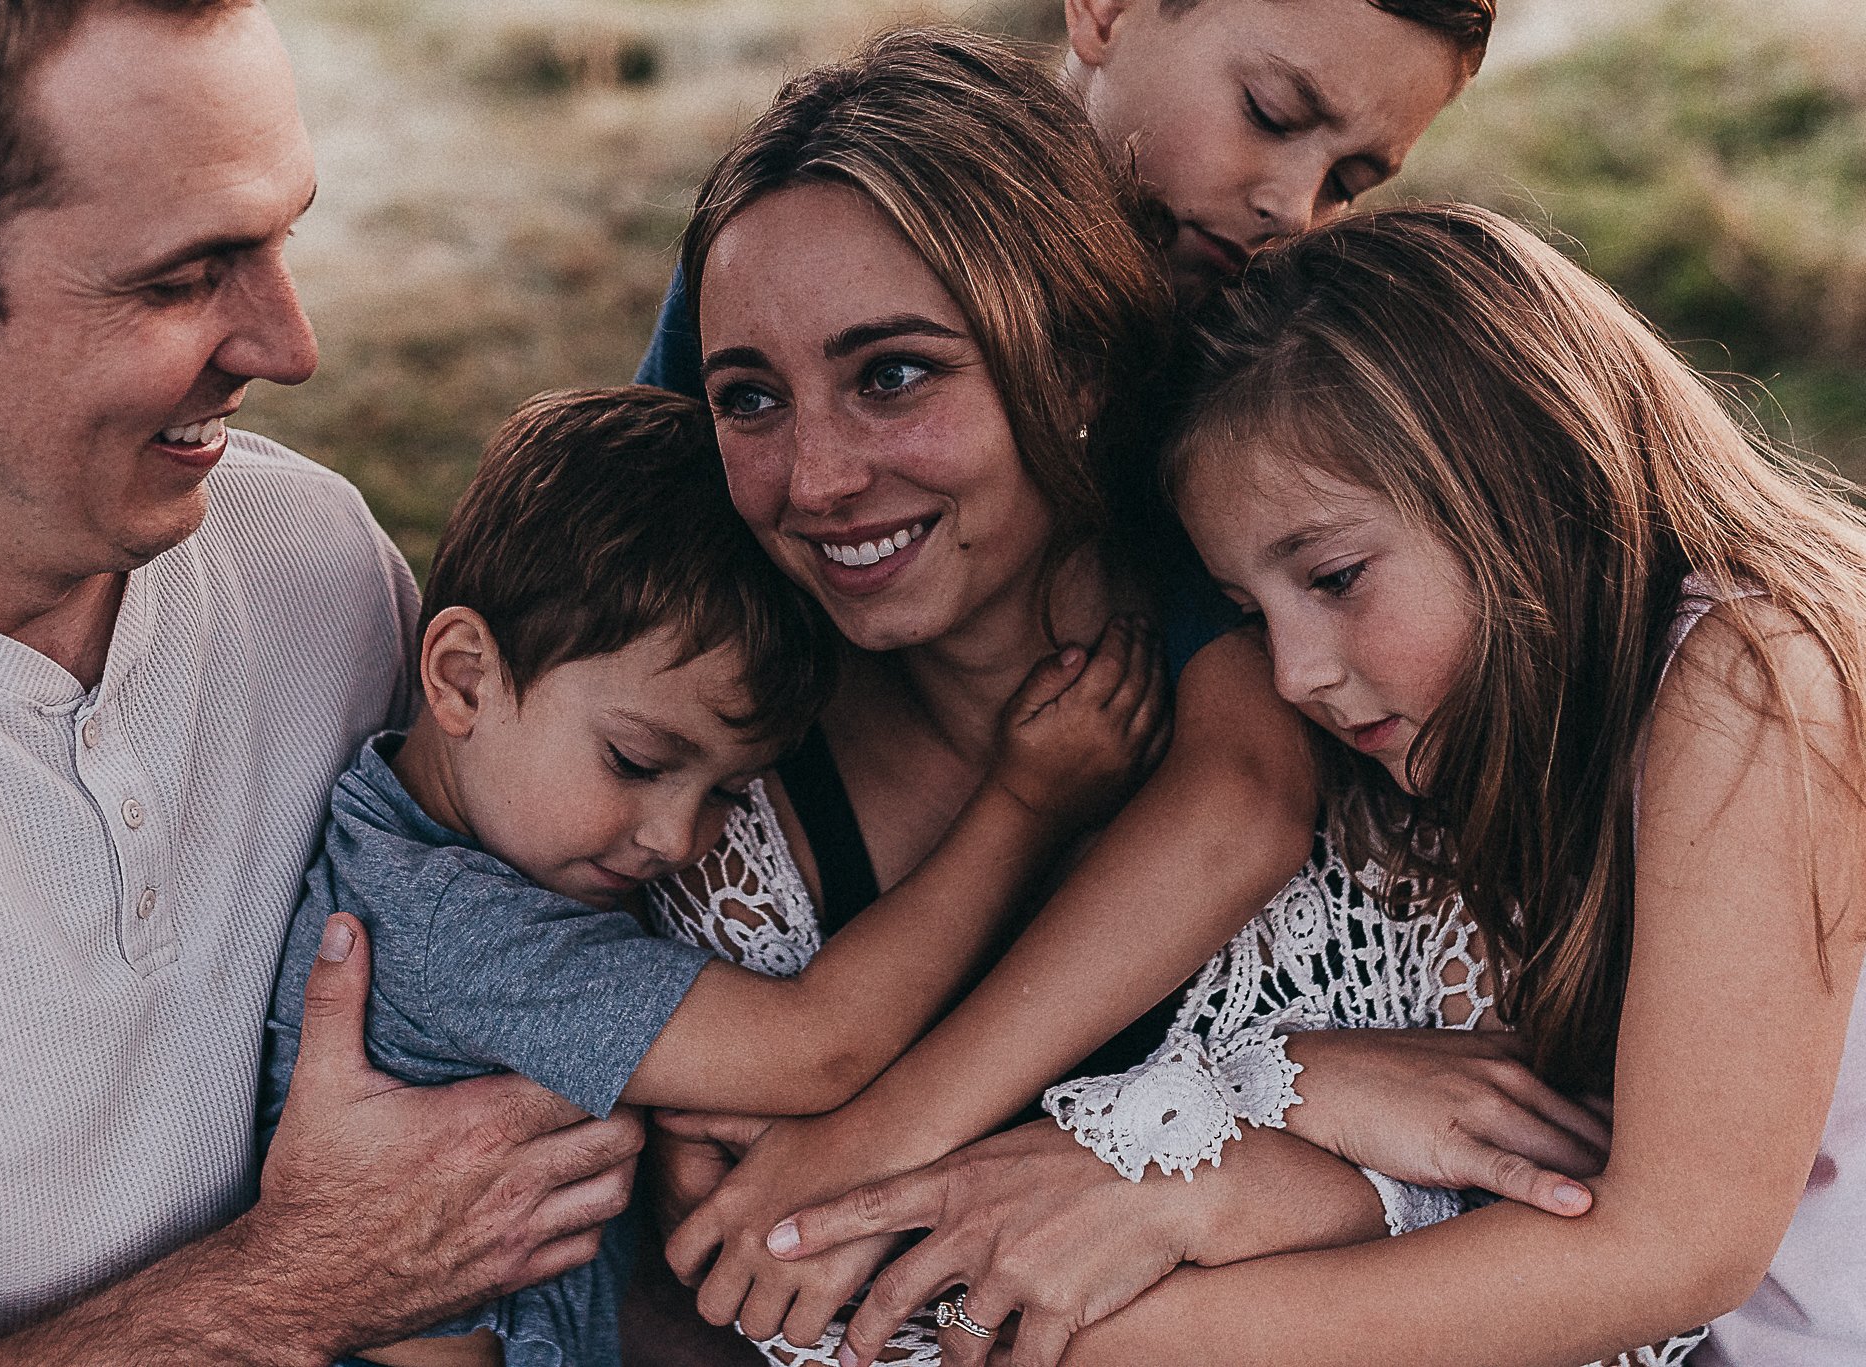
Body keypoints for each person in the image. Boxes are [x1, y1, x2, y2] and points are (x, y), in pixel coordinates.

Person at [615, 27, 1615, 1367]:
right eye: (748, 397)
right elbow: (745, 1298)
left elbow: (1610, 1265)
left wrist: (1244, 1128)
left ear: (1084, 369)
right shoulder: (697, 813)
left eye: (893, 374)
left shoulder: (1370, 723)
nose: (817, 478)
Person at [769, 204, 1866, 1366]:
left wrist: (1095, 1341)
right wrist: (1275, 1096)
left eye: (1333, 576)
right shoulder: (1491, 747)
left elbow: (1671, 1246)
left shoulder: (1753, 679)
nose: (1294, 672)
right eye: (1246, 612)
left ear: (1531, 483)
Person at [0, 3, 643, 1362]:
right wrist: (289, 1288)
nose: (290, 344)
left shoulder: (314, 561)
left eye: (282, 240)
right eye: (185, 277)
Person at [256, 385, 1163, 1367]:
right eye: (637, 760)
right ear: (463, 675)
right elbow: (819, 1046)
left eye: (729, 790)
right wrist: (1024, 804)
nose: (675, 835)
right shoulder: (454, 929)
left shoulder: (414, 836)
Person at [635, 0, 1486, 397]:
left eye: (1347, 184)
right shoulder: (816, 225)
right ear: (1107, 11)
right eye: (1271, 113)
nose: (1295, 210)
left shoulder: (1249, 365)